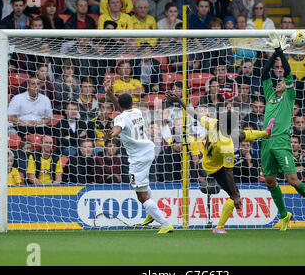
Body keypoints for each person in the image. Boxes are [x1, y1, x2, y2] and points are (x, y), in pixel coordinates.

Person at [165, 90, 276, 234]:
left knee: (242, 135)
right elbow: (228, 173)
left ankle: (265, 133)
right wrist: (236, 194)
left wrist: (179, 101)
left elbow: (194, 114)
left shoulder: (213, 123)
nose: (237, 126)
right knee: (233, 195)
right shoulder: (227, 146)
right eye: (235, 125)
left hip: (204, 160)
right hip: (214, 169)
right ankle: (219, 227)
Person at [260, 32, 305, 230]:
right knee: (270, 181)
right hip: (266, 142)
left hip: (281, 142)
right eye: (278, 81)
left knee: (292, 180)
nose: (280, 82)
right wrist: (273, 54)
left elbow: (287, 72)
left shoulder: (289, 95)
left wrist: (280, 52)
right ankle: (285, 215)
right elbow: (264, 74)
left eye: (283, 81)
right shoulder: (269, 93)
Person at [105, 89, 174, 234]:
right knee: (143, 185)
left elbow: (117, 127)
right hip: (149, 150)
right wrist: (110, 93)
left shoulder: (119, 118)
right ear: (132, 103)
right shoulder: (137, 112)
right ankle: (151, 214)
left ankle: (165, 224)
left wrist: (110, 134)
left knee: (141, 195)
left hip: (138, 158)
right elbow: (122, 109)